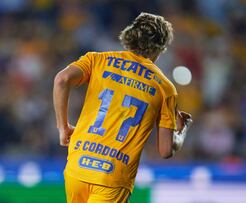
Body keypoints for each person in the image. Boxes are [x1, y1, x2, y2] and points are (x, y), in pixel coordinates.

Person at [53, 12, 192, 203]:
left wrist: (63, 127)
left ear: (130, 36)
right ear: (160, 48)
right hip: (112, 177)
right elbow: (165, 150)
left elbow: (61, 80)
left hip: (77, 167)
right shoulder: (165, 87)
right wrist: (182, 130)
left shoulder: (98, 60)